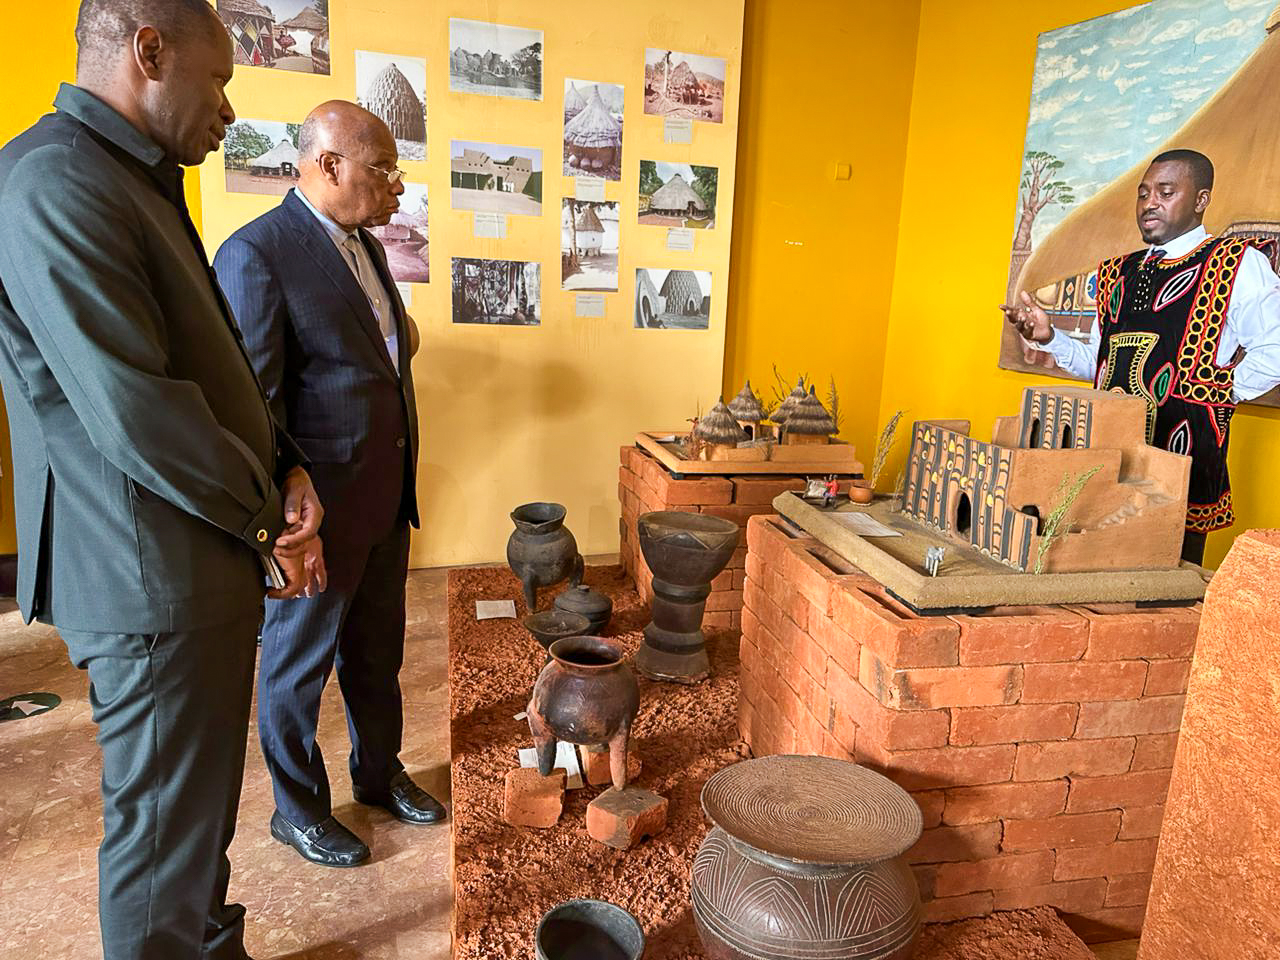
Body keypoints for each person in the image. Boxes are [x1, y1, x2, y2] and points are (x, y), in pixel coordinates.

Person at [0, 2, 325, 958]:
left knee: (193, 816)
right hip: (145, 570)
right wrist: (270, 521)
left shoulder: (125, 175)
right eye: (218, 79)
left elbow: (213, 357)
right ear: (150, 50)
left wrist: (286, 461)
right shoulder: (56, 181)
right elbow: (138, 405)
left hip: (185, 558)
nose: (228, 107)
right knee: (159, 838)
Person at [214, 101, 442, 870]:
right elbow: (253, 401)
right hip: (316, 510)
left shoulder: (366, 249)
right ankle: (297, 810)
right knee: (296, 666)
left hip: (383, 495)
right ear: (327, 164)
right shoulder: (258, 253)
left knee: (376, 655)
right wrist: (281, 511)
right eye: (380, 167)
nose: (394, 183)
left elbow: (381, 352)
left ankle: (378, 777)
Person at [1003, 148, 1280, 564]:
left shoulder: (1235, 265)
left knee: (1162, 598)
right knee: (1088, 580)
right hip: (1106, 461)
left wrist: (1215, 390)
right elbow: (1099, 366)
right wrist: (1048, 337)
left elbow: (1275, 350)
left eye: (1166, 192)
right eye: (1144, 193)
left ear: (1201, 200)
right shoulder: (1116, 272)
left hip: (1182, 464)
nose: (1150, 202)